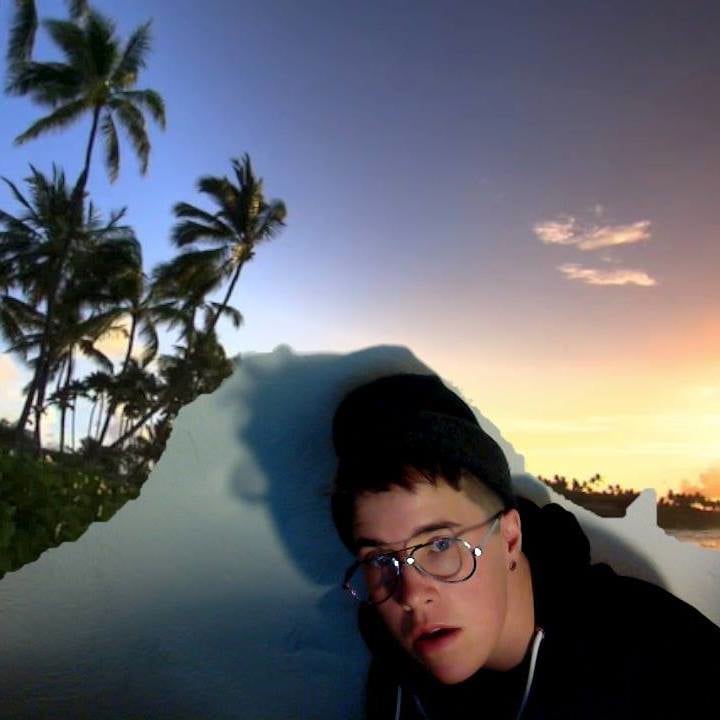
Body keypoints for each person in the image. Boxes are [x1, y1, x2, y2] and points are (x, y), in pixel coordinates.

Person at [330, 373, 720, 719]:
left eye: (441, 544)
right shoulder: (395, 683)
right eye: (380, 558)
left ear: (510, 538)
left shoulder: (667, 661)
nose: (411, 595)